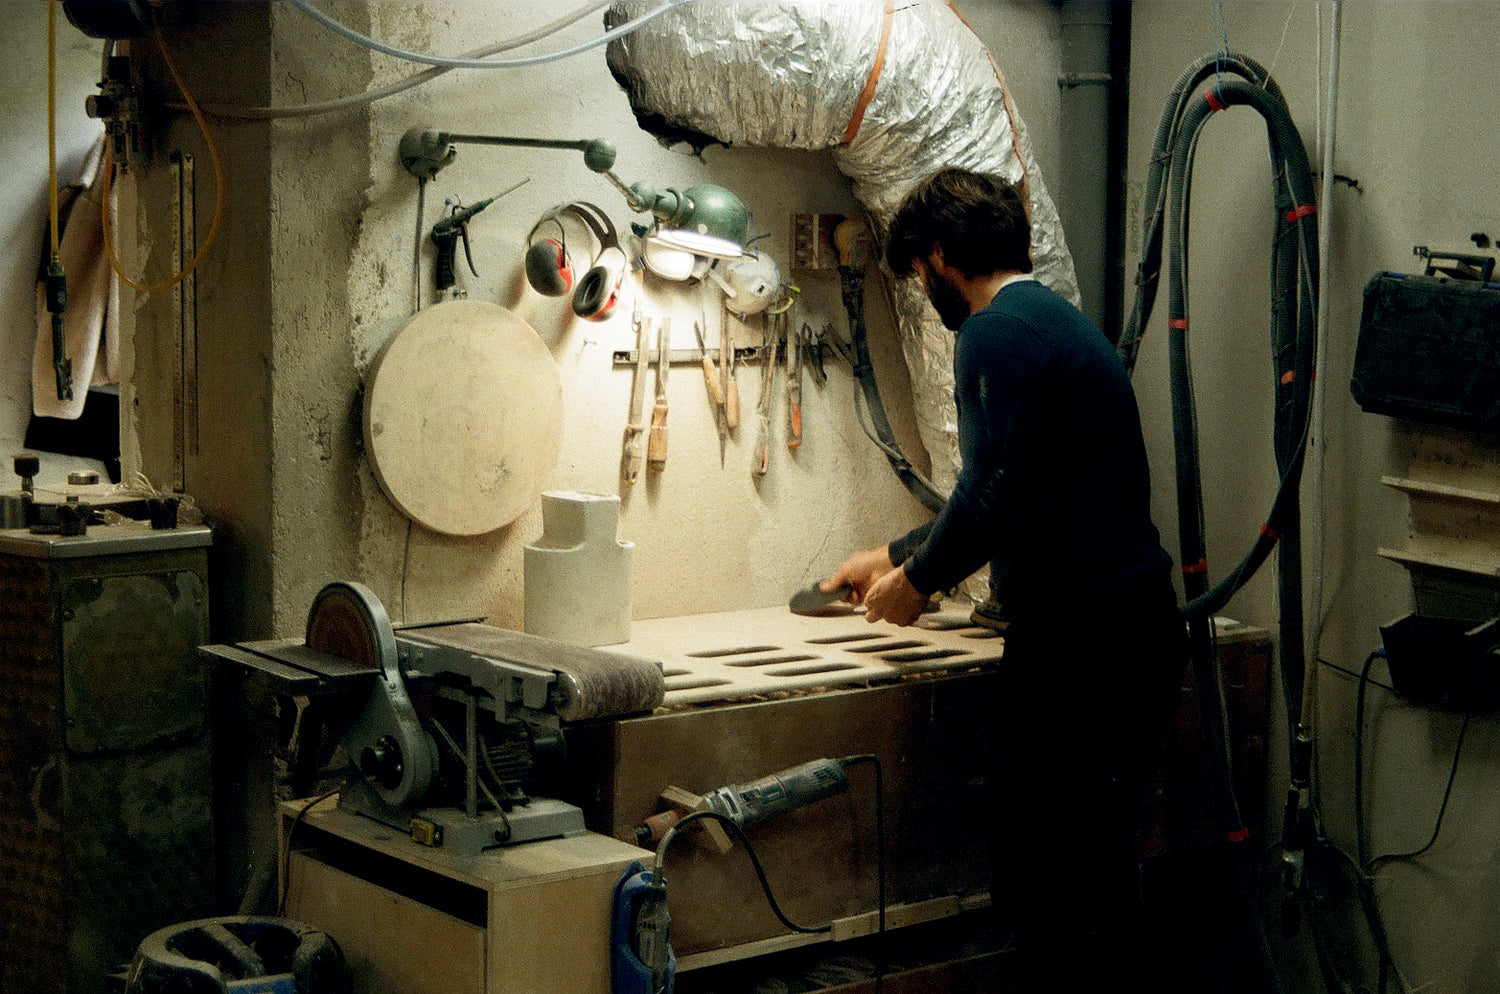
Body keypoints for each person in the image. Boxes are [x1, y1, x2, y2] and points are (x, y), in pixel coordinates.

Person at [822, 167, 1187, 989]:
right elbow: (1022, 491)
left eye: (919, 273)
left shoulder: (991, 333)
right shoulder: (1054, 321)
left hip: (1081, 649)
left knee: (1049, 885)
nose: (925, 290)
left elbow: (990, 494)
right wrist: (891, 554)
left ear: (941, 256)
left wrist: (916, 582)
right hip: (1131, 635)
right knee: (1094, 879)